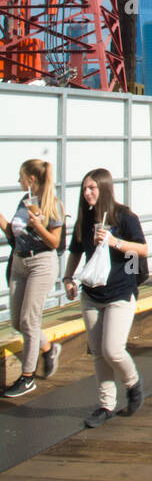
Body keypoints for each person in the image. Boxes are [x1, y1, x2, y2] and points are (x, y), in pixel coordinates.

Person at [62, 168, 148, 426]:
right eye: (85, 189)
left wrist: (115, 243)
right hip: (91, 293)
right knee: (98, 353)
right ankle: (105, 405)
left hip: (119, 293)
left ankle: (133, 383)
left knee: (113, 349)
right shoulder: (85, 219)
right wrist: (68, 278)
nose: (87, 193)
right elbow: (76, 250)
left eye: (92, 188)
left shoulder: (124, 217)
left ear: (105, 189)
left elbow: (141, 249)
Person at [1, 159, 65, 398]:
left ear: (32, 179)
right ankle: (48, 350)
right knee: (18, 322)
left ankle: (28, 377)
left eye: (21, 176)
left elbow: (55, 243)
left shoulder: (54, 205)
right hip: (19, 263)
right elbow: (13, 235)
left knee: (29, 321)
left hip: (41, 264)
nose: (18, 180)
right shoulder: (23, 202)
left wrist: (38, 225)